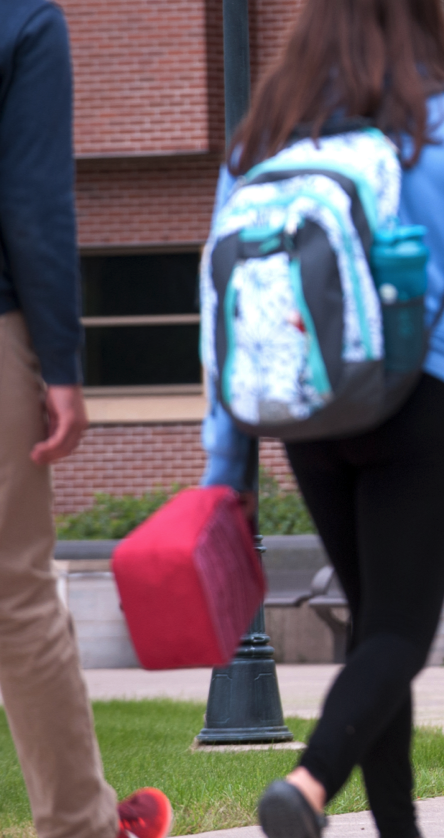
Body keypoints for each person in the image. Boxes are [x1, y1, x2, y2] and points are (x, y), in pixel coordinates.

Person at [198, 1, 444, 834]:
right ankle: (311, 785)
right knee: (399, 632)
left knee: (374, 627)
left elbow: (222, 311)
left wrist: (228, 460)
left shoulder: (263, 138)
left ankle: (400, 825)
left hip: (309, 408)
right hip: (423, 399)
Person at [0, 2, 175, 836]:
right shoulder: (23, 19)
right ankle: (81, 825)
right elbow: (34, 202)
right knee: (14, 589)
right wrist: (63, 367)